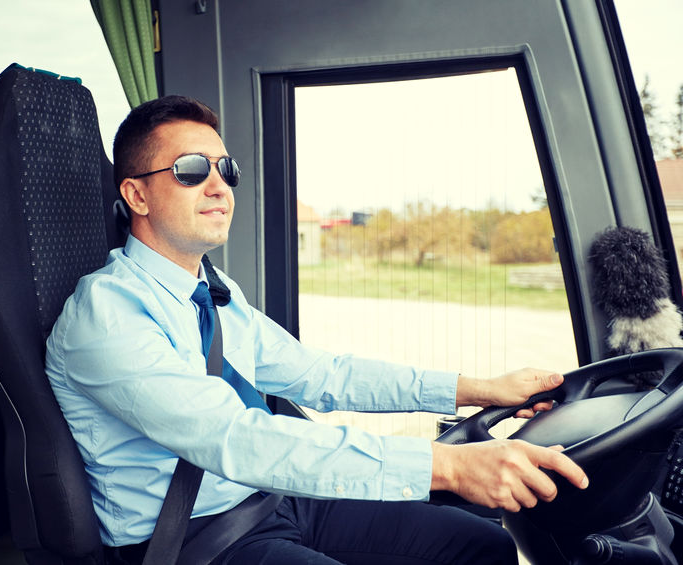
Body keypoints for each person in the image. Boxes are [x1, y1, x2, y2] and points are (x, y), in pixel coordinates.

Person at [45, 95, 589, 565]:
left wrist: (481, 389)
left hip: (267, 496)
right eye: (190, 170)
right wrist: (445, 466)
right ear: (137, 196)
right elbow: (234, 437)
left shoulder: (211, 290)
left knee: (479, 545)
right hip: (193, 538)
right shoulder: (106, 314)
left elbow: (321, 375)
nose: (217, 185)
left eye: (225, 169)